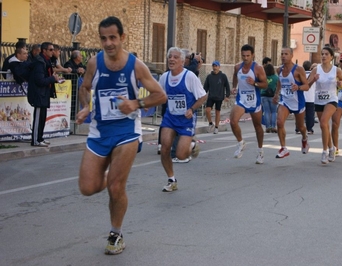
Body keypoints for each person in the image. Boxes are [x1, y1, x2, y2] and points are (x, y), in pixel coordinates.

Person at [75, 16, 166, 255]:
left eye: (113, 37)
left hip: (127, 132)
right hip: (99, 131)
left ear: (122, 37)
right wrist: (85, 107)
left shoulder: (136, 66)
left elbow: (160, 95)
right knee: (87, 187)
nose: (108, 43)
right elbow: (84, 87)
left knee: (116, 187)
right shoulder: (94, 63)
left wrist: (136, 103)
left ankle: (116, 234)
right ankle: (111, 173)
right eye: (103, 38)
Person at [158, 46, 207, 192]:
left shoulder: (189, 76)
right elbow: (160, 95)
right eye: (169, 57)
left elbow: (203, 96)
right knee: (165, 148)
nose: (171, 59)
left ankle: (191, 146)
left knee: (180, 155)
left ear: (182, 62)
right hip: (170, 118)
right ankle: (171, 179)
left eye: (175, 57)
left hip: (186, 119)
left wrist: (192, 109)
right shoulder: (164, 77)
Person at [230, 44, 268, 164]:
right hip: (241, 99)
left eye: (247, 56)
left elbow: (265, 84)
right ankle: (241, 143)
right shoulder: (237, 67)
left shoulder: (258, 68)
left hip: (254, 100)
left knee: (257, 126)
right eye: (243, 56)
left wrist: (255, 83)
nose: (245, 58)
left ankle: (260, 151)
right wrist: (234, 87)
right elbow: (235, 77)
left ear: (252, 55)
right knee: (233, 121)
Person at [308, 46, 342, 164]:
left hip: (332, 99)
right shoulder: (316, 69)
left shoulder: (336, 70)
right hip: (319, 100)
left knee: (323, 122)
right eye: (322, 54)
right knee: (324, 127)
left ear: (331, 57)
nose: (323, 56)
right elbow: (307, 85)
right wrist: (313, 79)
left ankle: (324, 152)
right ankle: (331, 148)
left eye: (326, 54)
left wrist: (340, 83)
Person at [273, 47, 310, 159]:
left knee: (300, 127)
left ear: (291, 55)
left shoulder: (298, 70)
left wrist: (298, 87)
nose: (283, 56)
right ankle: (283, 148)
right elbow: (280, 82)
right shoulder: (279, 70)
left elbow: (307, 86)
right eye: (282, 54)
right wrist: (276, 94)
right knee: (279, 122)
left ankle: (304, 138)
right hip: (285, 100)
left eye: (286, 54)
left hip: (297, 102)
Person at [27, 42, 61, 147]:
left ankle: (40, 138)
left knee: (43, 117)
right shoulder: (39, 62)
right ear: (44, 51)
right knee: (38, 118)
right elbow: (40, 81)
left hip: (44, 93)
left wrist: (54, 79)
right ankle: (35, 140)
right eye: (50, 50)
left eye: (53, 50)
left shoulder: (46, 61)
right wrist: (52, 79)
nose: (53, 52)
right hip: (38, 94)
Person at [204, 60, 230, 134]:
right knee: (207, 110)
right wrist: (202, 95)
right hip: (211, 96)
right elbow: (205, 87)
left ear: (219, 67)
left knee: (217, 112)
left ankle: (216, 127)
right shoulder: (209, 76)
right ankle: (210, 123)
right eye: (213, 66)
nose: (215, 67)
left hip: (219, 96)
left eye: (216, 66)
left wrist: (227, 95)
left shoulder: (223, 76)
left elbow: (227, 86)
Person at [261, 63, 278, 133]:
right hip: (272, 96)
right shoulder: (276, 77)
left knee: (266, 111)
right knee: (273, 112)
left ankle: (267, 127)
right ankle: (273, 126)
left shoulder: (263, 77)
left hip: (263, 95)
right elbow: (278, 86)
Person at [303, 61, 316, 134]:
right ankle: (309, 128)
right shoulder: (313, 75)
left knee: (300, 114)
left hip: (302, 96)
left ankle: (298, 128)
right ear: (311, 67)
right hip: (311, 97)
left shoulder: (301, 74)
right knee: (310, 114)